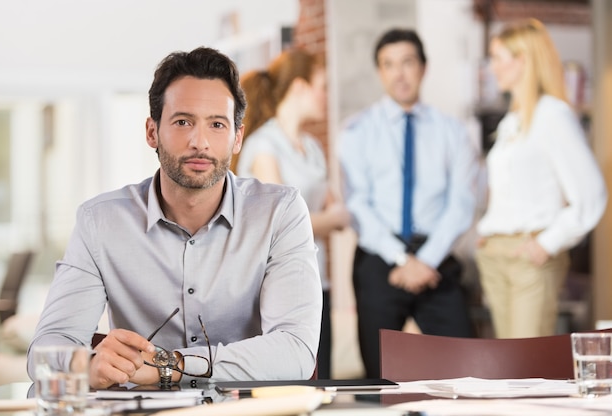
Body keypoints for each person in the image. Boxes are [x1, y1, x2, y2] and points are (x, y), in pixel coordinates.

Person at [27, 47, 322, 389]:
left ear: (237, 137)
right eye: (183, 122)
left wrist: (171, 365)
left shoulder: (280, 213)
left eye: (217, 124)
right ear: (152, 132)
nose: (200, 142)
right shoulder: (100, 222)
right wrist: (88, 365)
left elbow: (296, 351)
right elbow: (45, 350)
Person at [338, 28, 479, 379]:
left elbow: (461, 203)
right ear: (380, 72)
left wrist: (424, 261)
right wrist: (403, 260)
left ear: (423, 68)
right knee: (381, 379)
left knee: (467, 370)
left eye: (407, 63)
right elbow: (358, 204)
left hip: (437, 258)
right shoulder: (357, 131)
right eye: (389, 65)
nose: (399, 74)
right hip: (379, 260)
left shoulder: (453, 131)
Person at [475, 18, 607, 339]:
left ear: (522, 61)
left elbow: (591, 196)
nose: (492, 68)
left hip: (528, 257)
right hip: (496, 255)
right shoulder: (512, 121)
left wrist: (547, 244)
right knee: (508, 370)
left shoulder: (552, 115)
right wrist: (488, 231)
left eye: (497, 58)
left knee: (525, 369)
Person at [235, 48, 351, 379]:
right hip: (276, 287)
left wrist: (320, 220)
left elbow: (335, 211)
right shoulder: (264, 146)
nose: (327, 95)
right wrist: (324, 220)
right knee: (286, 384)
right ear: (300, 87)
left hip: (319, 281)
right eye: (322, 86)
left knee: (320, 381)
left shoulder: (312, 147)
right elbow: (281, 226)